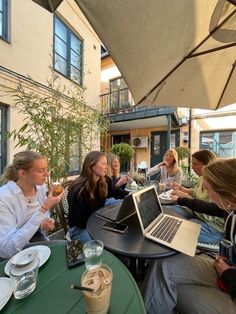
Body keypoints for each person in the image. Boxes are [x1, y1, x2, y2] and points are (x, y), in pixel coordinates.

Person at [142, 158, 236, 314]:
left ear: (225, 191)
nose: (208, 195)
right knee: (163, 264)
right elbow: (208, 207)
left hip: (230, 282)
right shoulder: (230, 209)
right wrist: (181, 200)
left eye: (208, 190)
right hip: (225, 265)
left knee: (166, 285)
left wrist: (229, 274)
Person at [0, 150, 64, 259]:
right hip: (12, 255)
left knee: (61, 252)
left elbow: (40, 218)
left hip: (35, 239)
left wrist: (44, 223)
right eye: (40, 171)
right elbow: (8, 249)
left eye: (46, 170)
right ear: (22, 173)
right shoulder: (4, 197)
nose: (46, 174)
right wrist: (44, 208)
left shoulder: (40, 188)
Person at [67, 151, 129, 243]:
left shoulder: (104, 180)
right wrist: (103, 221)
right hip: (80, 228)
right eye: (103, 164)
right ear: (92, 166)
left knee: (116, 237)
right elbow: (78, 220)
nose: (107, 167)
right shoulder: (78, 190)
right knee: (101, 247)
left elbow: (115, 191)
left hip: (96, 220)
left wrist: (129, 195)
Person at [171, 149, 224, 244]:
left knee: (174, 229)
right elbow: (195, 193)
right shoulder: (202, 178)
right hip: (197, 213)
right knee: (169, 212)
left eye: (195, 164)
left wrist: (185, 197)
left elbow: (211, 212)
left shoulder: (216, 185)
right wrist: (181, 189)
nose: (192, 167)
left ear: (206, 165)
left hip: (212, 227)